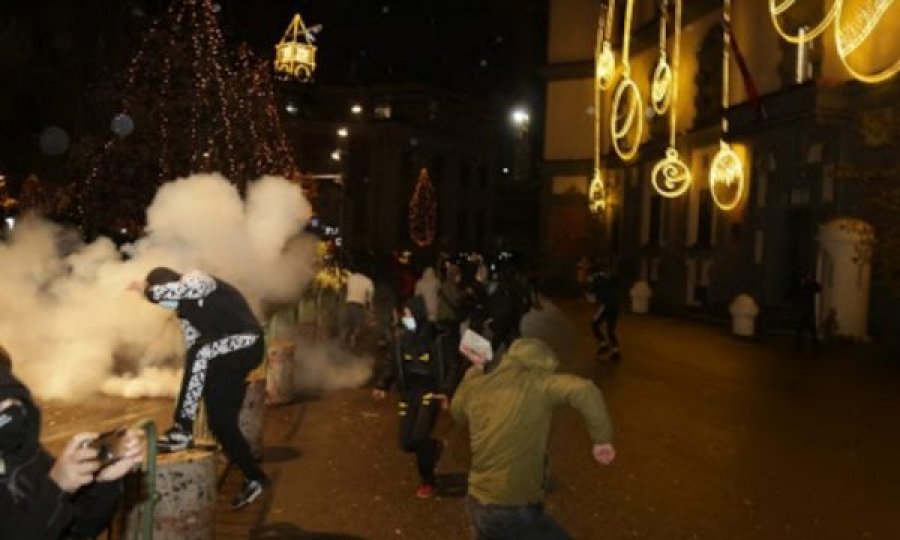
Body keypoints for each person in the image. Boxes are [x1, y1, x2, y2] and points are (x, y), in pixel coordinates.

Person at [131, 267, 267, 509]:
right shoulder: (183, 313)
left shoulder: (195, 278)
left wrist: (149, 291)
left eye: (165, 298)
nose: (167, 305)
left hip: (247, 342)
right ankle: (255, 477)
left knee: (201, 352)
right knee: (221, 422)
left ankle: (182, 429)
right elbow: (193, 348)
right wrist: (193, 390)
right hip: (225, 357)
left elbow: (186, 291)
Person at [452, 338, 615, 539]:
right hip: (510, 507)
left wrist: (475, 371)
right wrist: (602, 440)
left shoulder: (480, 380)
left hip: (477, 500)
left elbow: (457, 412)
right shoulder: (538, 383)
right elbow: (584, 389)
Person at [0, 347, 145, 540]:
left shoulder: (24, 455)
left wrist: (103, 484)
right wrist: (56, 487)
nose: (9, 413)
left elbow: (76, 528)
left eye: (13, 402)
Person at [372, 295, 461, 499]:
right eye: (404, 315)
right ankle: (434, 446)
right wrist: (382, 384)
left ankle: (427, 480)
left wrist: (446, 391)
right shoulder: (402, 339)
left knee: (419, 436)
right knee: (406, 442)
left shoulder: (437, 338)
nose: (406, 319)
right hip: (409, 394)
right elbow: (392, 363)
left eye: (409, 315)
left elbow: (453, 366)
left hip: (430, 393)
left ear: (419, 314)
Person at [588, 268, 621, 360]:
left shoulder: (596, 283)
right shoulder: (609, 283)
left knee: (594, 324)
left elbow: (592, 299)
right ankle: (615, 351)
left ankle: (603, 344)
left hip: (606, 306)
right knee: (610, 329)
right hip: (615, 307)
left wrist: (590, 293)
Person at [344, 265, 375, 348]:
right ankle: (353, 339)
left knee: (348, 324)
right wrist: (370, 310)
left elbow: (345, 289)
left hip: (348, 304)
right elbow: (370, 298)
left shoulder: (351, 278)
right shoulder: (368, 281)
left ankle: (343, 342)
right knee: (358, 326)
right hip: (359, 305)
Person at [794, 271, 822, 348]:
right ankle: (798, 340)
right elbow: (797, 293)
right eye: (808, 276)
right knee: (800, 324)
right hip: (802, 308)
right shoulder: (802, 285)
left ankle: (813, 340)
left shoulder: (811, 285)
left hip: (809, 308)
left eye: (810, 276)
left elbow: (819, 288)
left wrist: (813, 282)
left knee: (811, 324)